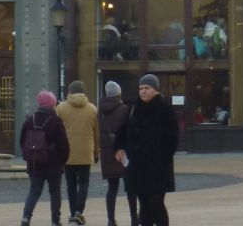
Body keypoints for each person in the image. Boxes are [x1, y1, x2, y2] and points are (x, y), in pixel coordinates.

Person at [114, 73, 178, 226]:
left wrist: (161, 159)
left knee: (156, 203)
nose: (143, 91)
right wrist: (119, 147)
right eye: (141, 88)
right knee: (144, 205)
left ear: (155, 90)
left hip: (157, 168)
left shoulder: (165, 109)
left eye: (147, 88)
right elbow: (123, 130)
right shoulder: (134, 108)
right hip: (137, 167)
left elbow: (172, 140)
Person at [21, 90, 71, 226]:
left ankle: (26, 217)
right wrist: (63, 160)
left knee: (34, 191)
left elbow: (22, 141)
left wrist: (30, 157)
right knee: (55, 193)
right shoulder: (55, 121)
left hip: (34, 162)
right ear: (52, 104)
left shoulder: (30, 119)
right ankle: (55, 220)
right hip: (53, 164)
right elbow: (63, 144)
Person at [58, 80, 101, 225]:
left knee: (70, 184)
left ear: (69, 91)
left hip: (67, 152)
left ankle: (72, 213)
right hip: (86, 151)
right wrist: (96, 151)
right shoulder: (92, 109)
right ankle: (78, 212)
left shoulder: (61, 108)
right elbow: (96, 133)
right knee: (83, 183)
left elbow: (57, 131)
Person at [98, 81, 137, 226]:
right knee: (130, 187)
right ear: (119, 93)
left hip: (107, 154)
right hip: (123, 152)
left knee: (112, 188)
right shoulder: (125, 109)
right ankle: (134, 218)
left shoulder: (100, 112)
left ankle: (111, 220)